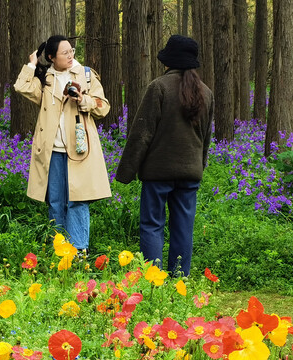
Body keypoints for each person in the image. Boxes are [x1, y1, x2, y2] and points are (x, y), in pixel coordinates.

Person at [115, 35, 214, 276]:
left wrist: (125, 173)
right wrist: (199, 166)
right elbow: (206, 138)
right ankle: (180, 280)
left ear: (168, 61)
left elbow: (142, 133)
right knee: (183, 229)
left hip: (158, 173)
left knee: (152, 226)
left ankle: (153, 281)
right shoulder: (206, 92)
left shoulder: (158, 87)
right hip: (190, 173)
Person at [13, 35, 112, 254]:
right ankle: (58, 250)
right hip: (52, 151)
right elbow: (21, 86)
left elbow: (103, 107)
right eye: (64, 53)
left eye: (71, 51)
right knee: (55, 202)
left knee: (78, 200)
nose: (70, 55)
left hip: (80, 150)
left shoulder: (85, 75)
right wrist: (32, 64)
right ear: (51, 57)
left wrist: (83, 100)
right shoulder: (44, 79)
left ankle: (79, 251)